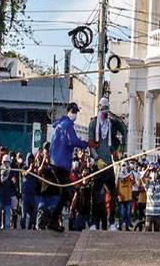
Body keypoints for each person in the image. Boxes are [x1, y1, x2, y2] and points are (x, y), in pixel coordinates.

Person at [49, 103, 87, 232]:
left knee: (63, 192)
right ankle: (53, 220)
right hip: (61, 164)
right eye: (74, 111)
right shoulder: (67, 125)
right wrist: (86, 144)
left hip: (55, 162)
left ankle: (54, 220)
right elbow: (73, 141)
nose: (75, 114)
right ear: (69, 111)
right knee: (67, 192)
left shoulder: (59, 124)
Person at [87, 98, 116, 231]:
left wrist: (117, 151)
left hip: (109, 164)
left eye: (107, 109)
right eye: (103, 109)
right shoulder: (93, 123)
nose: (105, 112)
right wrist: (97, 158)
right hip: (98, 165)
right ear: (99, 108)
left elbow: (112, 143)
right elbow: (91, 144)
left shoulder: (110, 125)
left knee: (113, 195)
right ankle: (93, 222)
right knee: (94, 194)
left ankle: (112, 222)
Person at [140, 161, 160, 232]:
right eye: (152, 172)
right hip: (149, 212)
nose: (154, 173)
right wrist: (148, 168)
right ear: (150, 174)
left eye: (155, 172)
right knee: (147, 231)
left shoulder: (159, 184)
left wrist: (159, 168)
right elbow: (142, 177)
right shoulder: (148, 185)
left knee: (158, 233)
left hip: (158, 213)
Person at [0, 154, 16, 230]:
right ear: (2, 162)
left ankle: (6, 228)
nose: (6, 164)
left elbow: (14, 183)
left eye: (8, 162)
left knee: (7, 211)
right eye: (5, 162)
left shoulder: (12, 172)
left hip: (7, 194)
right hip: (0, 194)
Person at [116, 161, 134, 231]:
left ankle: (127, 226)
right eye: (122, 166)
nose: (123, 167)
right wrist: (117, 195)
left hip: (128, 197)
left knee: (128, 213)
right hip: (121, 198)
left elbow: (134, 182)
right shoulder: (118, 177)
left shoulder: (130, 176)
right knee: (122, 213)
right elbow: (116, 187)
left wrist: (130, 172)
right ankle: (120, 226)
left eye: (124, 166)